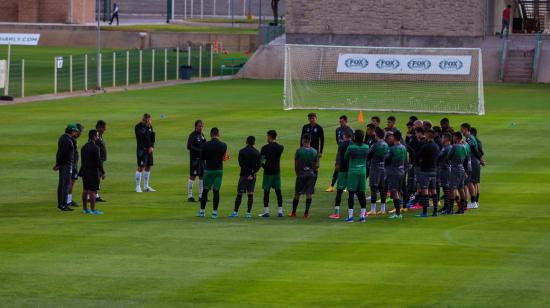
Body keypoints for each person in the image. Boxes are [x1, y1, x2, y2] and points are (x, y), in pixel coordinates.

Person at [198, 128, 227, 218]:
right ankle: (214, 212)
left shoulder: (205, 145)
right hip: (219, 170)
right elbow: (224, 158)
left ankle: (202, 211)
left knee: (205, 191)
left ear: (211, 134)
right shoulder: (223, 145)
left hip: (209, 170)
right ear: (218, 134)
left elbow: (202, 158)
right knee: (216, 191)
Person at [230, 136, 261, 218]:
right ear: (254, 142)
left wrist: (248, 173)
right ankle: (248, 213)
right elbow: (259, 165)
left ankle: (235, 212)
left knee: (239, 194)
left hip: (244, 175)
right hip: (253, 176)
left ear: (246, 141)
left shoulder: (242, 151)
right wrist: (252, 173)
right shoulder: (257, 152)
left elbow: (241, 164)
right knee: (250, 194)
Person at [290, 134, 318, 218]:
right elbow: (316, 166)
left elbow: (296, 164)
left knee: (297, 193)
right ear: (310, 141)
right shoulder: (314, 151)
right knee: (309, 194)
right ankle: (306, 213)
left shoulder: (299, 151)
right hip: (310, 174)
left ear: (303, 140)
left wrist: (297, 173)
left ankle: (294, 212)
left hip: (301, 174)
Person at [344, 130, 370, 222]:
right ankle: (362, 216)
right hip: (362, 171)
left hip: (353, 171)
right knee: (362, 193)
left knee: (351, 193)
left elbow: (346, 157)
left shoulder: (351, 147)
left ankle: (350, 217)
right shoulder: (366, 147)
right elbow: (368, 156)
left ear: (355, 137)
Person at [53, 124, 80, 211]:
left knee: (62, 184)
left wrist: (58, 163)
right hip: (66, 165)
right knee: (65, 185)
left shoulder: (63, 138)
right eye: (75, 131)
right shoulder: (67, 140)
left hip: (64, 164)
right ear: (72, 131)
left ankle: (61, 204)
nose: (76, 133)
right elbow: (62, 154)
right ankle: (63, 205)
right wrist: (58, 164)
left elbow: (59, 153)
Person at [415, 128, 440, 217]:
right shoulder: (436, 146)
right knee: (433, 191)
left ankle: (425, 212)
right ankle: (435, 211)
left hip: (425, 170)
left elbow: (417, 156)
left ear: (428, 135)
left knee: (425, 191)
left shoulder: (426, 146)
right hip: (434, 170)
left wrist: (420, 162)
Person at [79, 129, 105, 215]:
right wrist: (103, 172)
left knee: (85, 190)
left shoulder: (83, 147)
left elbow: (82, 161)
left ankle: (85, 209)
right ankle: (93, 210)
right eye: (97, 136)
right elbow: (98, 161)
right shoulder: (95, 148)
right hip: (93, 171)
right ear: (94, 136)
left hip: (84, 171)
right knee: (93, 191)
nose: (98, 137)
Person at [260, 130, 285, 217]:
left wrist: (264, 167)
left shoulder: (264, 148)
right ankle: (280, 211)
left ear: (270, 136)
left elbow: (261, 161)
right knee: (278, 191)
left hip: (268, 173)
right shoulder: (280, 147)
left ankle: (266, 211)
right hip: (277, 172)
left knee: (266, 192)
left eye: (267, 136)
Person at [329, 131, 353, 219]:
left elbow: (339, 156)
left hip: (343, 170)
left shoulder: (341, 144)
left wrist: (337, 165)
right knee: (351, 192)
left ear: (345, 136)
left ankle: (336, 213)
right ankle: (351, 213)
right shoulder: (353, 145)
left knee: (339, 191)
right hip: (351, 170)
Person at [327, 115, 354, 192]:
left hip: (349, 154)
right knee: (337, 168)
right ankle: (332, 186)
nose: (340, 123)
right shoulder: (338, 130)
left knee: (348, 169)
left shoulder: (350, 130)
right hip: (341, 152)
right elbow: (337, 140)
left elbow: (353, 141)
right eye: (340, 121)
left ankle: (347, 186)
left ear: (346, 121)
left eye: (342, 121)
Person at [461, 123, 484, 209]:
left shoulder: (469, 139)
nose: (461, 131)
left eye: (462, 129)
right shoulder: (471, 137)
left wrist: (479, 159)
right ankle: (474, 202)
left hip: (473, 162)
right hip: (475, 161)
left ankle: (474, 202)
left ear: (466, 129)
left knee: (470, 182)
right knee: (473, 182)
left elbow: (474, 149)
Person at [367, 127, 389, 215]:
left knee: (373, 188)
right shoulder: (386, 144)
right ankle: (383, 209)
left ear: (377, 135)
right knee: (382, 188)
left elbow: (369, 155)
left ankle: (373, 209)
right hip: (383, 168)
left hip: (375, 168)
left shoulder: (375, 145)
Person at [386, 131, 407, 219]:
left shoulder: (392, 149)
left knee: (394, 192)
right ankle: (399, 210)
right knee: (398, 191)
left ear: (394, 137)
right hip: (401, 171)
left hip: (393, 172)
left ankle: (397, 213)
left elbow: (387, 159)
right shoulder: (403, 147)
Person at [448, 132, 469, 214]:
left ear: (456, 137)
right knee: (461, 188)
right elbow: (466, 159)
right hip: (462, 168)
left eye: (454, 137)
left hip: (454, 168)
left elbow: (448, 157)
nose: (453, 138)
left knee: (452, 189)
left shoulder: (454, 146)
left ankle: (450, 209)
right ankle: (462, 208)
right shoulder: (464, 146)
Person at [135, 113, 156, 193]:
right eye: (146, 119)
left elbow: (152, 138)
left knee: (148, 166)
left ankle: (146, 186)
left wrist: (152, 147)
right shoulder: (138, 127)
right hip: (141, 150)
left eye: (148, 119)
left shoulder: (150, 126)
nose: (147, 121)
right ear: (143, 119)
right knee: (141, 167)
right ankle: (137, 187)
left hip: (149, 150)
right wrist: (147, 127)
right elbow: (142, 135)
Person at [187, 120, 206, 202]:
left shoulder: (202, 135)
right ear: (195, 126)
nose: (201, 127)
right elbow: (189, 146)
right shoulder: (192, 135)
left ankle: (201, 196)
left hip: (202, 160)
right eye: (199, 126)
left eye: (202, 126)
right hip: (195, 160)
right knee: (193, 176)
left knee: (202, 176)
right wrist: (199, 151)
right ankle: (190, 196)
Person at [66, 123, 84, 208]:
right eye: (80, 132)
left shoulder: (72, 139)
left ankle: (68, 200)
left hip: (73, 164)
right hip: (72, 165)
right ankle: (67, 201)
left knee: (71, 182)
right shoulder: (72, 140)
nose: (80, 134)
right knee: (70, 183)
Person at [438, 133, 453, 214]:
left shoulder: (446, 148)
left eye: (442, 137)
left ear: (446, 139)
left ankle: (446, 207)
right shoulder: (448, 147)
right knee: (446, 189)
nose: (441, 139)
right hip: (447, 169)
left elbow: (438, 157)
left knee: (446, 189)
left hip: (445, 170)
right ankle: (446, 206)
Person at [95, 120, 107, 202]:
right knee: (95, 177)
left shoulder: (100, 136)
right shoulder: (95, 136)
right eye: (104, 128)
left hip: (101, 160)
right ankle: (90, 196)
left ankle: (95, 195)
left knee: (98, 177)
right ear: (99, 127)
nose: (105, 129)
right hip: (97, 160)